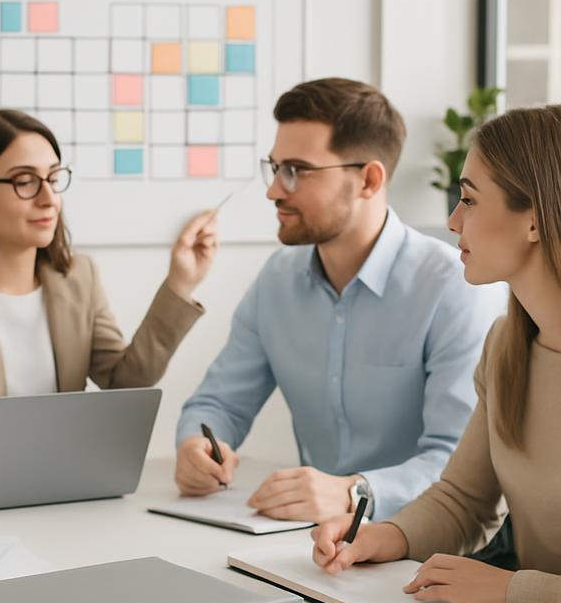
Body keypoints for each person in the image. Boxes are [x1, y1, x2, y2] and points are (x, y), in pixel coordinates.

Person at [174, 78, 504, 522]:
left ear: (368, 179)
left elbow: (461, 468)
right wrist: (197, 444)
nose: (274, 190)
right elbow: (218, 404)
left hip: (424, 549)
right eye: (274, 168)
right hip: (307, 543)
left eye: (296, 170)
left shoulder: (455, 289)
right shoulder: (277, 280)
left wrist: (355, 493)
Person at [312, 106, 561, 603]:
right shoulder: (507, 347)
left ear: (536, 217)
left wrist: (517, 591)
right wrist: (385, 536)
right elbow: (465, 500)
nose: (452, 221)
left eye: (469, 200)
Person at [0, 108, 218, 461]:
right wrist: (74, 444)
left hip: (45, 483)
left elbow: (124, 381)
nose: (49, 198)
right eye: (24, 181)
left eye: (54, 178)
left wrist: (180, 284)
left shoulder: (78, 277)